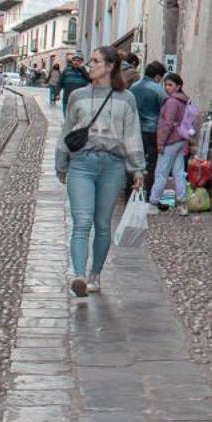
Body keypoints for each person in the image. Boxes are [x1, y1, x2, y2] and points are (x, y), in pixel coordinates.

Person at [56, 45, 145, 297]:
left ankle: (95, 274)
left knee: (102, 223)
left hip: (113, 166)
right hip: (82, 164)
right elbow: (67, 131)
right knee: (82, 222)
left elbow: (132, 135)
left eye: (95, 61)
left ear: (109, 66)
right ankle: (79, 276)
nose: (89, 65)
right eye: (90, 61)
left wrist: (138, 170)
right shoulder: (78, 96)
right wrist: (61, 162)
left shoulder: (127, 99)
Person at [150, 72, 198, 211]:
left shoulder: (171, 101)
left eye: (170, 85)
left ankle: (153, 203)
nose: (166, 87)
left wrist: (160, 142)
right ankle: (183, 203)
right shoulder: (184, 101)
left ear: (178, 86)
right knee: (178, 172)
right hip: (181, 139)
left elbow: (167, 123)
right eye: (165, 84)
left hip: (170, 140)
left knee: (161, 172)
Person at [131, 61, 167, 193]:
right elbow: (166, 109)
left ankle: (132, 191)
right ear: (157, 76)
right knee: (151, 163)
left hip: (135, 130)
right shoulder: (158, 89)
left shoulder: (133, 87)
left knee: (135, 161)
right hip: (152, 130)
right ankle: (148, 191)